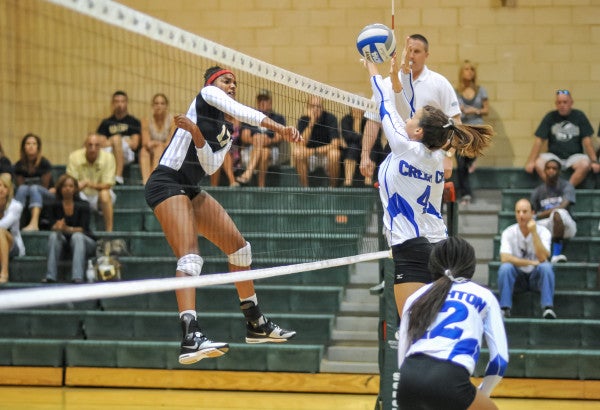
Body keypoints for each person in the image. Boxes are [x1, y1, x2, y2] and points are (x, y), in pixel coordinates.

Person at [144, 65, 301, 365]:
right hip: (166, 183)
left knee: (241, 250)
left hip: (190, 187)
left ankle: (255, 322)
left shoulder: (226, 131)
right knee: (190, 258)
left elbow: (212, 166)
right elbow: (241, 110)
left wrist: (198, 136)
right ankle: (190, 336)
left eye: (234, 83)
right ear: (213, 84)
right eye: (227, 81)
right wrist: (279, 128)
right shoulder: (207, 94)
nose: (232, 86)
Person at [364, 48, 493, 318]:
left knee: (412, 329)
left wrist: (371, 66)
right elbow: (406, 109)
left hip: (411, 248)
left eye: (413, 118)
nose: (408, 118)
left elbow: (385, 103)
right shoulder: (435, 154)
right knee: (434, 325)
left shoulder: (404, 147)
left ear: (419, 131)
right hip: (438, 245)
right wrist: (401, 80)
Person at [397, 237, 508, 410]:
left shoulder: (415, 298)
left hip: (408, 381)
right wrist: (482, 392)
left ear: (432, 265)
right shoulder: (484, 296)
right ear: (470, 266)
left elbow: (402, 354)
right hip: (449, 380)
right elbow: (499, 361)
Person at [360, 33, 462, 185]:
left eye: (417, 51)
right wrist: (365, 155)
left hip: (432, 150)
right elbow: (374, 121)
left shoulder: (439, 83)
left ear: (426, 55)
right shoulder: (389, 83)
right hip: (396, 149)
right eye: (409, 51)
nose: (412, 56)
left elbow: (456, 122)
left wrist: (448, 155)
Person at [525, 89, 599, 188]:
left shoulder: (579, 116)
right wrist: (531, 161)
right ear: (556, 104)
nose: (562, 105)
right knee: (539, 163)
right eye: (559, 102)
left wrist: (594, 161)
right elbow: (539, 140)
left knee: (585, 164)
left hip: (574, 157)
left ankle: (567, 189)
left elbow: (587, 141)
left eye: (565, 102)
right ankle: (554, 187)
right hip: (554, 156)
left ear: (571, 103)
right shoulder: (550, 117)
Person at [497, 198, 556, 319]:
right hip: (517, 279)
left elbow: (543, 257)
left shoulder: (543, 232)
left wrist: (534, 233)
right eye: (518, 212)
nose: (521, 215)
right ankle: (505, 309)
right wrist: (531, 262)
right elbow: (504, 258)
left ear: (533, 213)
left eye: (524, 211)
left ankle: (547, 308)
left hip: (536, 279)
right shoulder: (508, 232)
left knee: (546, 267)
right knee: (505, 268)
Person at [42, 174, 96, 284]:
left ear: (76, 188)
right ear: (60, 188)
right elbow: (48, 224)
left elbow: (83, 228)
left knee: (77, 236)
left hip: (85, 242)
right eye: (65, 186)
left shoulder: (83, 205)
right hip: (63, 241)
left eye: (71, 186)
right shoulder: (53, 205)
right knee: (54, 236)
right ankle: (50, 276)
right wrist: (56, 227)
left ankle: (77, 277)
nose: (68, 189)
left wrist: (67, 228)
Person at [66, 133, 116, 232]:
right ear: (85, 145)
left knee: (105, 194)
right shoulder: (74, 156)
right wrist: (80, 186)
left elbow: (107, 184)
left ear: (101, 147)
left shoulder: (108, 157)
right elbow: (70, 184)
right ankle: (75, 229)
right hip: (81, 193)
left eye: (96, 145)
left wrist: (88, 183)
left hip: (99, 196)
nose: (93, 148)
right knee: (68, 192)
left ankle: (109, 231)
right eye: (90, 145)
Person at [455, 60, 489, 205]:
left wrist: (474, 110)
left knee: (474, 143)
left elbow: (486, 110)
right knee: (460, 161)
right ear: (462, 72)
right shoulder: (456, 91)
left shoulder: (480, 90)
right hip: (462, 127)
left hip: (476, 127)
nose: (469, 72)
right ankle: (466, 194)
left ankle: (471, 160)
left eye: (471, 69)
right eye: (466, 69)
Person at [236, 89, 286, 188]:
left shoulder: (278, 118)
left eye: (265, 100)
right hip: (251, 149)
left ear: (270, 102)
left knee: (266, 151)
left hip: (273, 149)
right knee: (263, 151)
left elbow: (280, 137)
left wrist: (269, 140)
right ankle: (261, 186)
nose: (262, 102)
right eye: (260, 100)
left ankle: (247, 174)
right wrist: (255, 139)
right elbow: (244, 137)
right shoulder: (251, 116)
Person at [530, 159, 577, 264]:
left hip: (566, 226)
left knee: (558, 213)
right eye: (548, 168)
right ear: (544, 171)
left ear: (559, 171)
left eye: (554, 168)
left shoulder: (567, 186)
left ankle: (556, 254)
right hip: (547, 226)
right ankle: (537, 256)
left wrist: (540, 215)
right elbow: (532, 213)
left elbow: (563, 206)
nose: (551, 171)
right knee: (531, 224)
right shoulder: (538, 191)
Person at [292, 96, 342, 187]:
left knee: (335, 154)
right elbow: (300, 143)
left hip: (326, 155)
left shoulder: (330, 118)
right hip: (309, 158)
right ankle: (305, 189)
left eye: (318, 106)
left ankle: (333, 188)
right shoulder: (303, 120)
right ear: (308, 108)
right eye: (312, 106)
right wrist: (311, 123)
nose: (315, 109)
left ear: (322, 108)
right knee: (297, 152)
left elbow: (336, 144)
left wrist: (314, 151)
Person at [96, 90, 141, 185]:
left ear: (126, 103)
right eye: (117, 101)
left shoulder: (133, 122)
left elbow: (134, 144)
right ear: (112, 103)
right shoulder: (106, 123)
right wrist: (119, 140)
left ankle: (118, 176)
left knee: (116, 139)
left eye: (122, 101)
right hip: (110, 151)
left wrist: (113, 140)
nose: (120, 104)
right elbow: (101, 143)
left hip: (127, 154)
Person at [13, 133, 53, 231]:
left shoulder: (44, 163)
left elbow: (45, 186)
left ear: (38, 148)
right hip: (26, 193)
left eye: (34, 144)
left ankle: (34, 223)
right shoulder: (19, 165)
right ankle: (15, 222)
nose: (31, 146)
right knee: (23, 188)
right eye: (28, 144)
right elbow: (20, 185)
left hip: (47, 194)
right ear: (24, 148)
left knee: (34, 188)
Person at [139, 93, 175, 185]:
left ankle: (153, 181)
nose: (159, 106)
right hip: (152, 149)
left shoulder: (172, 121)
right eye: (156, 103)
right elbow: (146, 143)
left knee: (159, 149)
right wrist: (157, 144)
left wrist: (156, 144)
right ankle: (145, 182)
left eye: (162, 103)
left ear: (166, 106)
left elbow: (169, 144)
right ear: (152, 106)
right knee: (143, 151)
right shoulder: (146, 120)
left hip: (167, 151)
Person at [0, 173, 25, 284]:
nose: (1, 189)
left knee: (0, 232)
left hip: (13, 245)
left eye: (5, 186)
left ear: (9, 190)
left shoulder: (16, 206)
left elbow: (4, 225)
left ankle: (4, 272)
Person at [340, 105, 374, 187]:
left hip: (367, 149)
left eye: (360, 106)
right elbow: (348, 137)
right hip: (350, 149)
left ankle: (368, 182)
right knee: (353, 147)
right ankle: (348, 182)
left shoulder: (369, 121)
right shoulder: (346, 119)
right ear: (351, 107)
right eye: (355, 106)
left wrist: (361, 140)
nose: (358, 108)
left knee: (373, 150)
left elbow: (370, 139)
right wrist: (357, 121)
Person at [210, 115, 241, 187]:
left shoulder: (238, 121)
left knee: (221, 154)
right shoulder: (218, 121)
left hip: (235, 153)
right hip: (220, 151)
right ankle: (232, 182)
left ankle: (214, 186)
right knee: (220, 154)